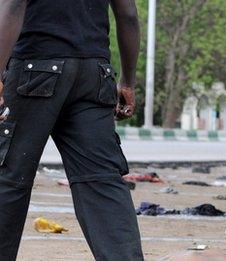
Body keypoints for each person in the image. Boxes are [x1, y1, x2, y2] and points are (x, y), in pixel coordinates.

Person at [0, 0, 144, 260]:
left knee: (8, 179)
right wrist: (128, 82)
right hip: (94, 74)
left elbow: (12, 5)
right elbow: (128, 14)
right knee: (102, 182)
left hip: (34, 67)